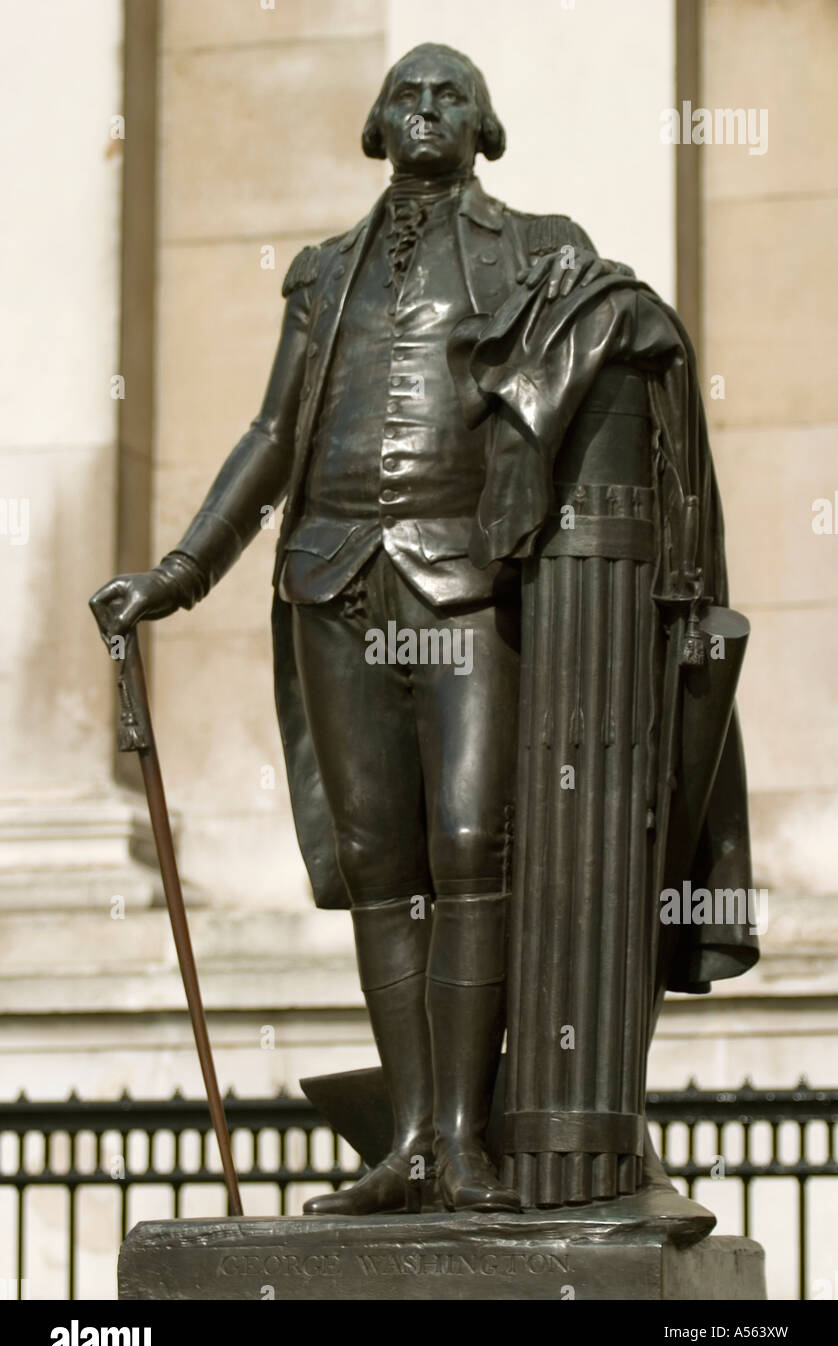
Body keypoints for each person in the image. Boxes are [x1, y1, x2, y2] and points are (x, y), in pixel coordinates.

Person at [90, 42, 630, 1215]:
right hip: (333, 579)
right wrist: (180, 574)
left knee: (474, 834)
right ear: (374, 125)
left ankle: (463, 1135)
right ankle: (417, 1147)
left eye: (451, 94)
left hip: (463, 580)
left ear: (485, 128)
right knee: (380, 860)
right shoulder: (324, 273)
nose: (426, 107)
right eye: (406, 93)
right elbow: (273, 435)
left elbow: (613, 353)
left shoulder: (540, 248)